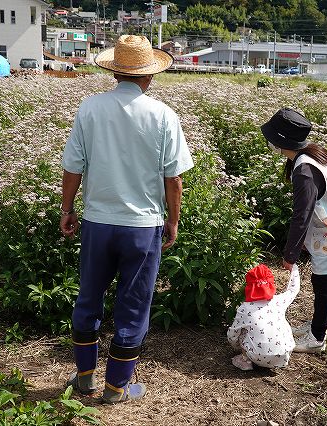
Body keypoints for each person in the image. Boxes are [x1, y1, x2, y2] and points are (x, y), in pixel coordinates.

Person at [60, 35, 194, 403]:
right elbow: (174, 178)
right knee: (133, 305)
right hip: (142, 226)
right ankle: (117, 387)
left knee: (89, 298)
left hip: (98, 223)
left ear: (115, 72)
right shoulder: (163, 115)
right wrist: (174, 220)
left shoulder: (89, 108)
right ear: (149, 75)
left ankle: (85, 378)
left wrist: (67, 209)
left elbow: (73, 168)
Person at [260, 108, 327, 354]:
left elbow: (302, 214)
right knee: (320, 279)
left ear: (281, 141)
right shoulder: (307, 157)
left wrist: (290, 255)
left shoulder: (304, 170)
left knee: (322, 282)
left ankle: (317, 338)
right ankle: (315, 327)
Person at [227, 264, 300, 370]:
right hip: (284, 353)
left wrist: (236, 346)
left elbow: (233, 334)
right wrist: (294, 268)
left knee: (242, 331)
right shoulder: (279, 301)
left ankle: (245, 360)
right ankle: (275, 359)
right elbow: (293, 289)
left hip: (258, 356)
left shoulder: (245, 308)